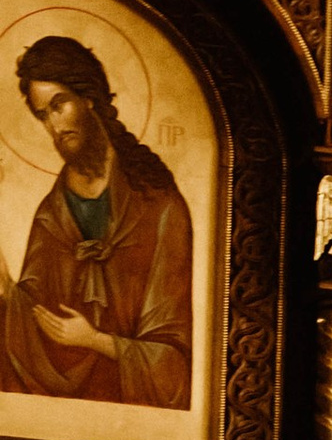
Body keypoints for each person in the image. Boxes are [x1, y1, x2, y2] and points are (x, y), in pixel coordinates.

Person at [0, 36, 193, 412]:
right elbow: (31, 324)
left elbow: (174, 364)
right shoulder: (51, 216)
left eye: (60, 105)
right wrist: (7, 290)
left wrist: (95, 341)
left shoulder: (158, 205)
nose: (55, 125)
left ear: (88, 97)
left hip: (134, 419)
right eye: (43, 115)